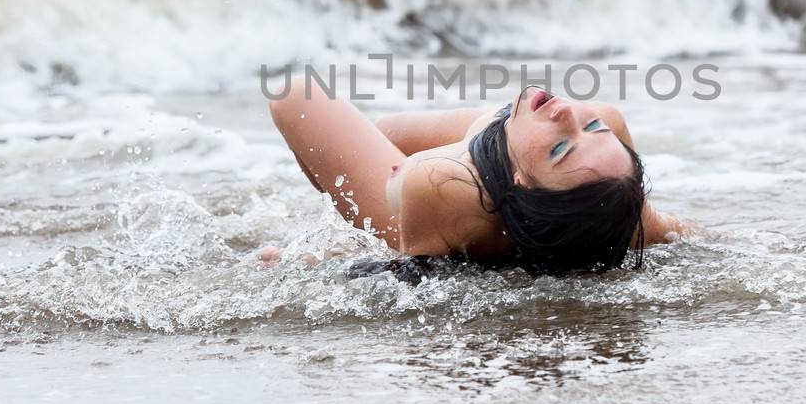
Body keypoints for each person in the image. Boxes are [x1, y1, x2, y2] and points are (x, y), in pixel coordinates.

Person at [266, 79, 692, 275]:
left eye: (561, 149)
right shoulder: (612, 176)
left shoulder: (440, 186)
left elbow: (404, 270)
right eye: (592, 129)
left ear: (523, 179)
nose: (568, 114)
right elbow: (672, 231)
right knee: (389, 132)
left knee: (298, 96)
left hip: (436, 215)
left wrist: (312, 259)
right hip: (528, 188)